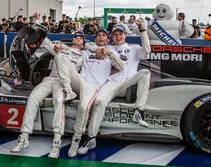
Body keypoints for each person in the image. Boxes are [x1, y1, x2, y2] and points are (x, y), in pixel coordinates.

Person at [76, 22, 151, 155]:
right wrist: (96, 49)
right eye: (115, 34)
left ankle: (139, 111)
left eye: (120, 34)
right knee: (99, 102)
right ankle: (91, 138)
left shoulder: (133, 48)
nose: (118, 36)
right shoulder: (108, 46)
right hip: (111, 83)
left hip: (128, 82)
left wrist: (143, 31)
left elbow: (147, 51)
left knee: (145, 73)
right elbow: (88, 44)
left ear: (125, 35)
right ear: (111, 37)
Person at [11, 31, 86, 159]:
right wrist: (33, 30)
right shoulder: (60, 48)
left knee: (59, 102)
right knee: (32, 99)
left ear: (84, 45)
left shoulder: (84, 55)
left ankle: (56, 143)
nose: (77, 39)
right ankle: (24, 138)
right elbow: (44, 41)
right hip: (50, 79)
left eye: (80, 38)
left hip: (63, 83)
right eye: (76, 37)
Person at [55, 28, 125, 157]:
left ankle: (76, 140)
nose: (101, 37)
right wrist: (94, 49)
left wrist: (109, 53)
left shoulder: (112, 51)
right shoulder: (87, 51)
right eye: (98, 35)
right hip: (78, 81)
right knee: (60, 57)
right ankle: (68, 91)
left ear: (108, 39)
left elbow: (121, 67)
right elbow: (82, 45)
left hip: (93, 87)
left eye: (104, 35)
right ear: (95, 39)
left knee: (83, 106)